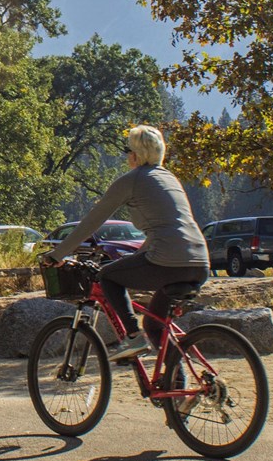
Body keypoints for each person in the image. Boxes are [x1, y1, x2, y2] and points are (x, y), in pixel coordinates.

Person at [42, 125, 210, 360]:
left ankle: (132, 336)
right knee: (155, 326)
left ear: (135, 154)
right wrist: (135, 258)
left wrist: (57, 255)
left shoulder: (133, 180)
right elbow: (165, 230)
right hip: (199, 262)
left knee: (107, 276)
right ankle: (177, 389)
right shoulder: (170, 178)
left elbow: (92, 221)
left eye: (127, 150)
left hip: (167, 260)